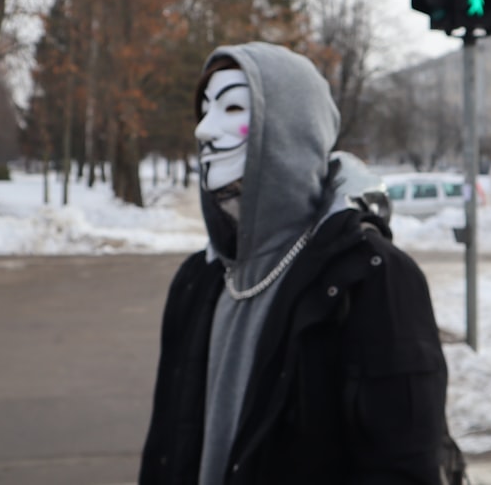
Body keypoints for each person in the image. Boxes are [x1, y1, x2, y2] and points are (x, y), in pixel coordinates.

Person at [140, 42, 463, 485]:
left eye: (232, 107)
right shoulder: (198, 279)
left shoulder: (372, 279)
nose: (203, 131)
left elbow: (402, 468)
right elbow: (167, 445)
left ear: (288, 131)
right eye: (204, 110)